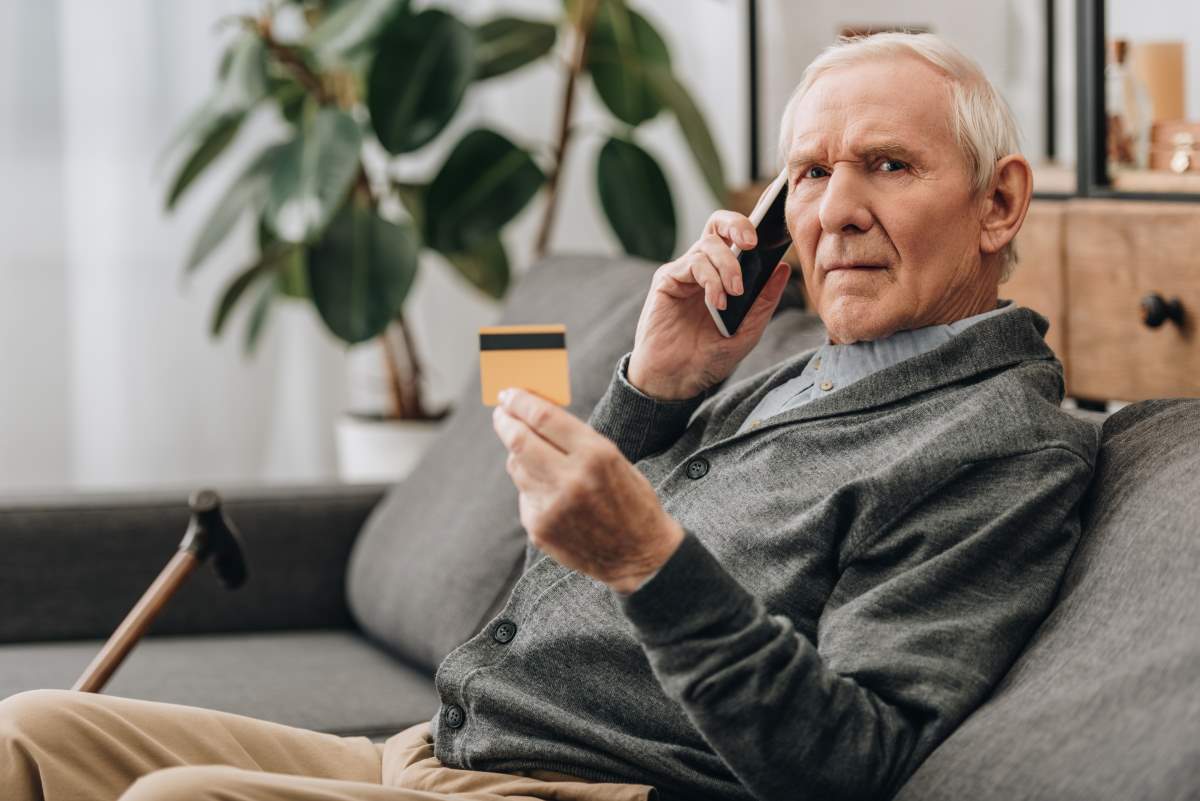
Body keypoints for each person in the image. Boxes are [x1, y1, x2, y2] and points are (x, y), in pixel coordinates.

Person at [1, 32, 1097, 801]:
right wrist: (656, 389)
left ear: (999, 202)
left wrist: (654, 562)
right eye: (807, 173)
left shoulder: (999, 443)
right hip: (447, 748)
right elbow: (560, 581)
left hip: (593, 789)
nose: (835, 209)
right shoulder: (786, 370)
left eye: (887, 166)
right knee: (28, 733)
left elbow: (853, 760)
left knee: (181, 800)